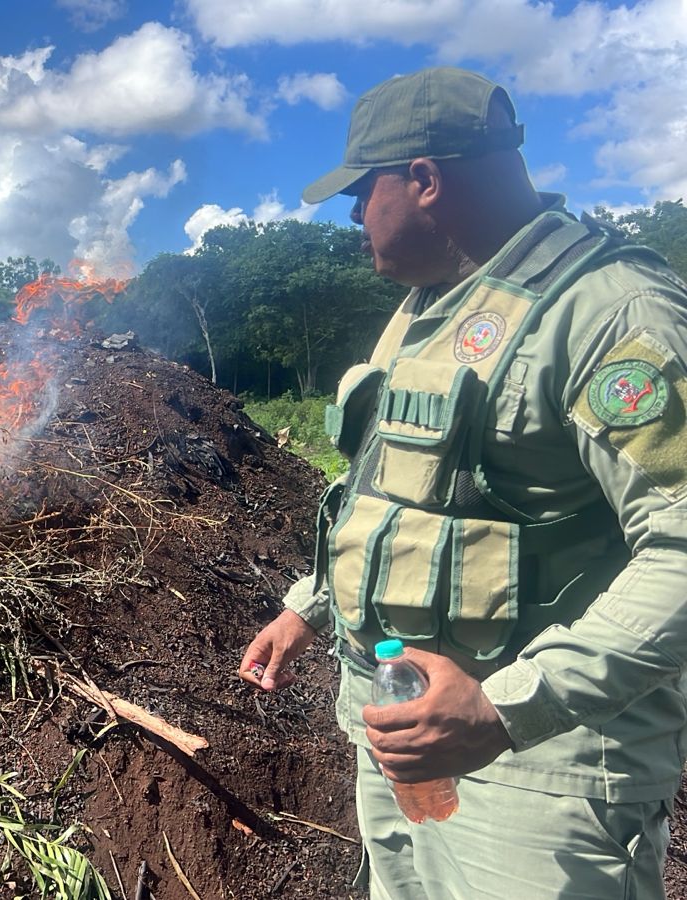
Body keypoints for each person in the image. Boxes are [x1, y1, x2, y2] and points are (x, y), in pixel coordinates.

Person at [238, 66, 687, 899]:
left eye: (360, 191)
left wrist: (507, 707)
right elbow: (396, 490)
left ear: (424, 181)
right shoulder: (429, 305)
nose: (351, 215)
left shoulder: (612, 313)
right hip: (408, 738)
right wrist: (308, 605)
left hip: (541, 771)